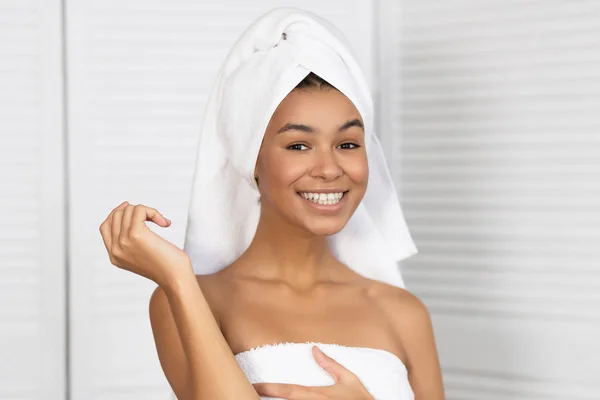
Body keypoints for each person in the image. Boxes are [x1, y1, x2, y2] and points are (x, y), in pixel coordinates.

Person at [99, 8, 444, 400]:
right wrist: (179, 277)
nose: (329, 169)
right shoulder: (188, 298)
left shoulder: (403, 312)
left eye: (347, 144)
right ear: (252, 161)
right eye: (299, 145)